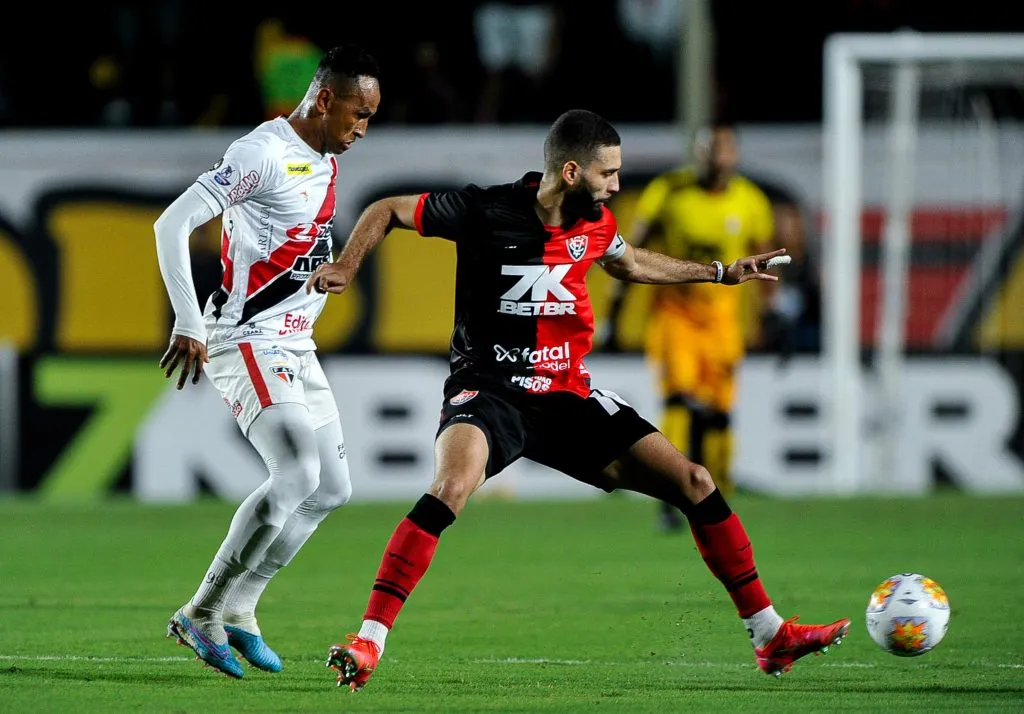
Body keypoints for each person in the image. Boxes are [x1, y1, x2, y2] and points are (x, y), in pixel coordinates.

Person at [305, 109, 850, 691]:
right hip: (490, 390)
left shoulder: (596, 223)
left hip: (566, 391)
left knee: (695, 481)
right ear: (571, 172)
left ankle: (769, 635)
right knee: (451, 487)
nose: (616, 185)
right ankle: (369, 640)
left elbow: (632, 261)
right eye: (607, 173)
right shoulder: (482, 209)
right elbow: (386, 209)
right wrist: (346, 262)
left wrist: (718, 272)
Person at [154, 44, 381, 678]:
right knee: (295, 472)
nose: (363, 129)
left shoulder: (324, 158)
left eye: (372, 117)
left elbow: (289, 245)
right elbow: (172, 224)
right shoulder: (262, 153)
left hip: (294, 342)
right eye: (358, 113)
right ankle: (201, 610)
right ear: (325, 99)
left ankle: (242, 607)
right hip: (245, 338)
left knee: (332, 489)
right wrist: (188, 319)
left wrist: (326, 273)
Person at [602, 123, 776, 532]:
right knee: (680, 401)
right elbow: (627, 252)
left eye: (725, 149)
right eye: (710, 149)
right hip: (675, 317)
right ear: (698, 153)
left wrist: (773, 314)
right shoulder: (668, 191)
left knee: (718, 414)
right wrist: (615, 312)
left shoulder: (750, 201)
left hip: (722, 322)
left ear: (734, 154)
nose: (718, 157)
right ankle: (670, 493)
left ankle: (717, 492)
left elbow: (764, 256)